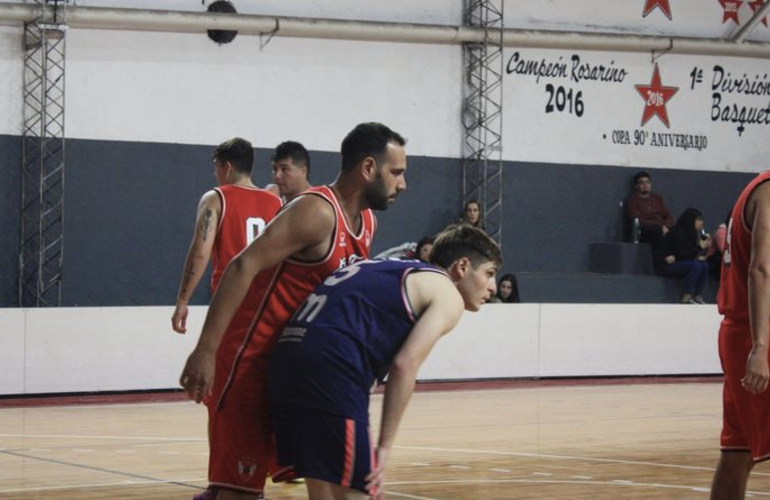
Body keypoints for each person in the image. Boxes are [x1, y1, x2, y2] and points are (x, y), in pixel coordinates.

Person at [179, 122, 407, 500]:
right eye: (396, 172)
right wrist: (206, 350)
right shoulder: (316, 211)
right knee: (237, 490)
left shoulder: (367, 222)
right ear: (368, 168)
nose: (402, 184)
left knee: (323, 485)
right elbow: (241, 267)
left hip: (296, 373)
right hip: (249, 362)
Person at [268, 224, 502, 500]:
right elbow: (405, 365)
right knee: (362, 490)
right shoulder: (447, 293)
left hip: (285, 362)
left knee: (324, 490)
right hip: (332, 366)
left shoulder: (392, 267)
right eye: (489, 274)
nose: (493, 287)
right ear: (462, 267)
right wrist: (384, 447)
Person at [171, 137, 282, 334]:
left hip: (230, 299)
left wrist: (182, 300)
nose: (215, 174)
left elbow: (200, 253)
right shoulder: (276, 202)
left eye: (216, 168)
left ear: (227, 167)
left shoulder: (216, 198)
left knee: (221, 360)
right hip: (266, 300)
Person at [710, 170, 770, 500]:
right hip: (755, 332)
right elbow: (760, 269)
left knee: (737, 451)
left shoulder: (756, 188)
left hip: (740, 332)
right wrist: (760, 347)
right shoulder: (768, 193)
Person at [654, 208, 712, 304]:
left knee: (705, 265)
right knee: (696, 266)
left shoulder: (692, 233)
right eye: (699, 220)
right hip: (667, 265)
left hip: (680, 262)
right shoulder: (678, 232)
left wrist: (700, 250)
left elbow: (688, 255)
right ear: (691, 220)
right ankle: (687, 295)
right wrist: (700, 247)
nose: (702, 223)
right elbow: (682, 254)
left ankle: (697, 295)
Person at [624, 171, 675, 245]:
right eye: (642, 183)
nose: (645, 185)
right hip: (647, 230)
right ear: (636, 186)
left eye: (647, 182)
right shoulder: (632, 201)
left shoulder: (657, 198)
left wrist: (666, 225)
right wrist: (660, 226)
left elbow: (667, 215)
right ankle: (664, 255)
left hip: (662, 227)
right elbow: (637, 220)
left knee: (679, 231)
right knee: (657, 231)